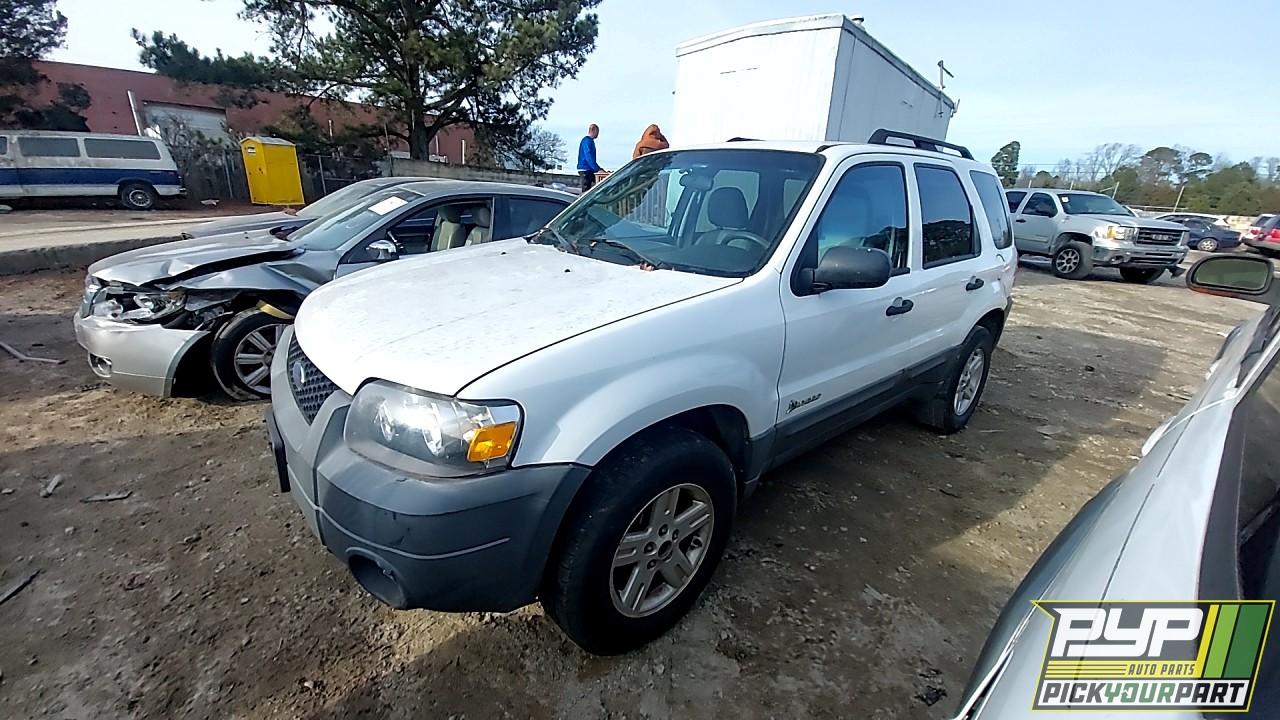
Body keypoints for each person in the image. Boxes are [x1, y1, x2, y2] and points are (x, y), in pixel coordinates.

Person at [577, 124, 604, 192]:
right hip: (586, 169)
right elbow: (588, 156)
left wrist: (599, 169)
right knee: (586, 190)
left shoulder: (588, 141)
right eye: (597, 131)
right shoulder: (587, 141)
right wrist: (597, 169)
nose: (598, 134)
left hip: (588, 168)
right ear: (593, 130)